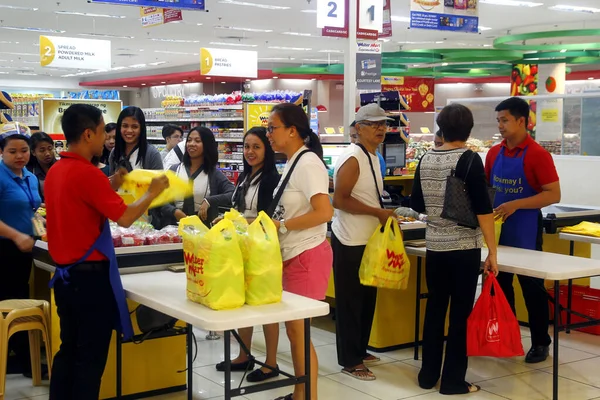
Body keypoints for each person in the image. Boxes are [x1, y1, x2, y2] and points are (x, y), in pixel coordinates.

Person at [45, 104, 169, 399]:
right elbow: (125, 218)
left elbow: (85, 198)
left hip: (65, 278)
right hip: (89, 281)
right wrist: (152, 192)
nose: (107, 138)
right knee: (90, 357)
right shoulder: (86, 173)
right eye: (103, 131)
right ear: (88, 134)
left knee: (69, 349)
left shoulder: (57, 170)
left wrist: (112, 182)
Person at [411, 103, 498, 395]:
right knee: (460, 314)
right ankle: (452, 381)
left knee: (435, 309)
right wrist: (493, 252)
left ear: (440, 128)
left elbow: (418, 205)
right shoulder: (470, 160)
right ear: (469, 130)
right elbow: (484, 210)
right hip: (463, 249)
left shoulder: (425, 159)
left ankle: (427, 375)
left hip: (435, 247)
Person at [485, 97, 561, 363]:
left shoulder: (538, 154)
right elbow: (486, 189)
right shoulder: (494, 153)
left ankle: (541, 341)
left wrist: (516, 204)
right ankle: (507, 336)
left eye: (505, 120)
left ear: (522, 121)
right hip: (497, 232)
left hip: (526, 230)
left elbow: (553, 194)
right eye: (498, 121)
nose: (501, 126)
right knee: (500, 287)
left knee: (532, 288)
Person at [267, 103, 334, 400]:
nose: (269, 134)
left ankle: (308, 397)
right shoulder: (294, 161)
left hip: (306, 254)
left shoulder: (307, 164)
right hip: (294, 253)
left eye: (272, 128)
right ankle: (299, 394)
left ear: (292, 131)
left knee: (299, 333)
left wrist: (282, 226)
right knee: (295, 332)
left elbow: (324, 212)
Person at [332, 104, 396, 381]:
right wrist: (377, 212)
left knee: (368, 298)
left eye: (383, 123)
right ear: (358, 129)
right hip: (350, 240)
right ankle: (350, 359)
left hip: (368, 239)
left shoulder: (371, 156)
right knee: (350, 302)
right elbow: (340, 199)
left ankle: (360, 348)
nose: (380, 128)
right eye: (373, 124)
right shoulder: (353, 157)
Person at [215, 127, 281, 382]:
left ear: (267, 149)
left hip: (263, 252)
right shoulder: (246, 175)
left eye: (256, 147)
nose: (250, 152)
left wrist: (242, 219)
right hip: (242, 247)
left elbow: (268, 217)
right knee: (243, 303)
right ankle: (244, 355)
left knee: (266, 306)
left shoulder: (271, 179)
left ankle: (271, 362)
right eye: (246, 147)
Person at [0, 124, 42, 377]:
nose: (19, 156)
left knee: (19, 299)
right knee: (8, 302)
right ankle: (19, 360)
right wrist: (16, 235)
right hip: (4, 248)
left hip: (24, 248)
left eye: (24, 150)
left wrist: (40, 226)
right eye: (12, 151)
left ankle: (22, 358)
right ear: (2, 153)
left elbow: (31, 210)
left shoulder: (30, 176)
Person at [160, 126, 234, 228]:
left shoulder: (213, 174)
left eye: (197, 141)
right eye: (189, 140)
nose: (191, 144)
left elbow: (232, 193)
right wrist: (174, 211)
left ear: (207, 145)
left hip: (203, 233)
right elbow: (161, 199)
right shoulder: (174, 170)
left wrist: (209, 200)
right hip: (174, 231)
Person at [108, 107, 163, 174]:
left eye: (134, 127)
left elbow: (160, 182)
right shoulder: (114, 153)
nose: (129, 131)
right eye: (125, 126)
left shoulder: (151, 154)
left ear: (141, 128)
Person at [27, 131, 56, 202]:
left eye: (50, 148)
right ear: (33, 152)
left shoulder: (60, 167)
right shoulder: (28, 171)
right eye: (42, 150)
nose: (47, 153)